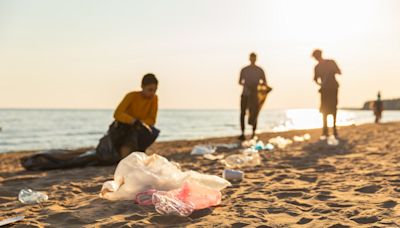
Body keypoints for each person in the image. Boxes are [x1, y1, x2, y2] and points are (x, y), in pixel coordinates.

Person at [109, 73, 160, 158]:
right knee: (131, 134)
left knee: (153, 132)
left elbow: (152, 120)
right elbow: (117, 114)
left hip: (140, 127)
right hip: (123, 127)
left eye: (155, 90)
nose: (152, 93)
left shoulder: (154, 99)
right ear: (142, 87)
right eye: (150, 90)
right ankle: (124, 158)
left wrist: (140, 123)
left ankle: (138, 153)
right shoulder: (132, 96)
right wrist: (133, 121)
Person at [238, 53, 268, 140]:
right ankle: (242, 133)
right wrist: (247, 85)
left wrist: (257, 85)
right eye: (251, 58)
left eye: (254, 58)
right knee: (243, 113)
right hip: (245, 94)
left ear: (256, 59)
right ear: (249, 59)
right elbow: (240, 82)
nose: (253, 60)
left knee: (254, 113)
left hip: (255, 95)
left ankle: (253, 133)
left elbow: (264, 82)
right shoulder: (244, 70)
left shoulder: (260, 70)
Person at [312, 49, 342, 137]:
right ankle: (325, 130)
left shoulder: (331, 62)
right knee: (324, 108)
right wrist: (321, 84)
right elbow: (315, 79)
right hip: (324, 89)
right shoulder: (317, 67)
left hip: (333, 88)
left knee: (333, 107)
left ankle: (334, 129)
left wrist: (333, 70)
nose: (316, 58)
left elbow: (339, 72)